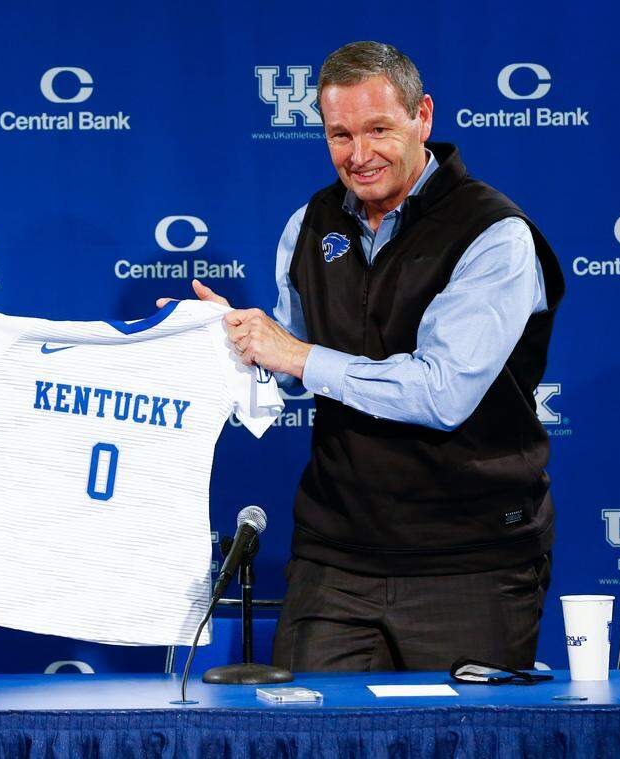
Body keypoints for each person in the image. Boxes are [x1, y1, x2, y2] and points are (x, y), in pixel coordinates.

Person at [162, 41, 565, 671]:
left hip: (471, 560)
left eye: (378, 129)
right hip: (336, 557)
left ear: (422, 117)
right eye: (340, 134)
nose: (359, 154)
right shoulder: (308, 224)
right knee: (305, 736)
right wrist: (222, 337)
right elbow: (287, 361)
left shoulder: (493, 235)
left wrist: (296, 356)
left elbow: (440, 394)